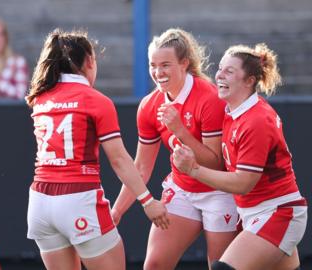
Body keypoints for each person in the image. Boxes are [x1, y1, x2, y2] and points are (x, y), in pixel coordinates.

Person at [25, 29, 169, 270]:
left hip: (40, 202)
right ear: (89, 61)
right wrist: (147, 201)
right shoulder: (96, 100)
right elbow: (120, 160)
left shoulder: (41, 98)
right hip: (78, 198)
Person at [111, 28, 238, 270]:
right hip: (183, 189)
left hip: (220, 190)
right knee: (155, 265)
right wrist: (117, 211)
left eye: (166, 65)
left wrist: (180, 131)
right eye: (153, 65)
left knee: (219, 267)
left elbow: (215, 163)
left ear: (184, 64)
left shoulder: (209, 97)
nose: (158, 73)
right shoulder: (149, 106)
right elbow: (141, 168)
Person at [173, 43, 307, 270]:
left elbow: (244, 183)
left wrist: (193, 169)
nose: (219, 74)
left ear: (249, 81)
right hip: (258, 213)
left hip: (277, 213)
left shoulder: (255, 119)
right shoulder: (233, 112)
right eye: (220, 68)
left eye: (229, 71)